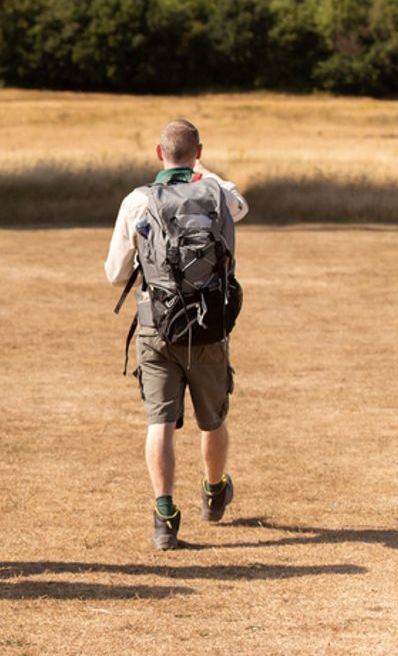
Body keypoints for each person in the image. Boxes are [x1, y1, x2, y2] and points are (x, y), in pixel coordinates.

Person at [105, 119, 249, 550]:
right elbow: (241, 203)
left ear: (157, 154)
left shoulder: (138, 201)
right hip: (209, 325)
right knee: (214, 417)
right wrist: (208, 174)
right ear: (198, 152)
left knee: (160, 422)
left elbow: (115, 274)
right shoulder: (219, 196)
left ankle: (164, 515)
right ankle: (213, 490)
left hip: (157, 324)